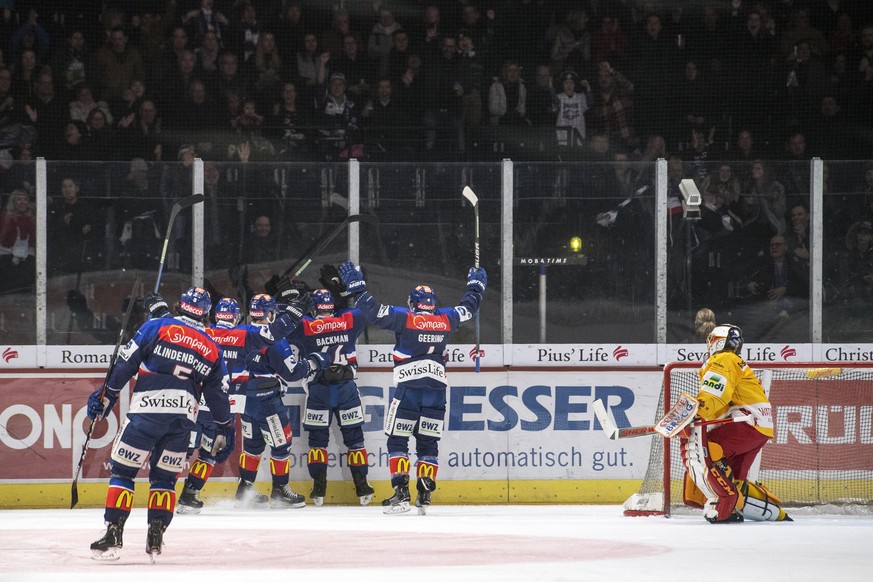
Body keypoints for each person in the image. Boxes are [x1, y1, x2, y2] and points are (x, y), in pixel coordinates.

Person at [87, 287, 234, 561]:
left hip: (146, 413)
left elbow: (125, 364)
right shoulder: (213, 348)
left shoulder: (157, 326)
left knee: (123, 472)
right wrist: (226, 427)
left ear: (180, 305)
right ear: (206, 314)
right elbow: (218, 395)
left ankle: (114, 532)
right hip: (182, 422)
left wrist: (106, 395)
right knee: (165, 479)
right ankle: (156, 535)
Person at [339, 260, 487, 514]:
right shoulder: (447, 318)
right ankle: (425, 495)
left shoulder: (405, 318)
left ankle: (401, 493)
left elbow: (373, 311)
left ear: (413, 303)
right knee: (428, 444)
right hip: (437, 393)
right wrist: (475, 287)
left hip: (409, 390)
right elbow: (468, 308)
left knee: (397, 440)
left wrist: (357, 288)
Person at [679, 324, 791, 523]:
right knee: (734, 481)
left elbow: (715, 394)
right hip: (759, 428)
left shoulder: (723, 359)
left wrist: (697, 412)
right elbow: (726, 402)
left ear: (717, 342)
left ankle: (723, 505)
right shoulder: (735, 362)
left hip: (746, 424)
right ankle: (775, 514)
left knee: (702, 448)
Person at [237, 293, 330, 508]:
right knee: (281, 444)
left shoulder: (241, 332)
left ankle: (245, 489)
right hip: (268, 400)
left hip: (245, 399)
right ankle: (280, 491)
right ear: (269, 314)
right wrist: (315, 362)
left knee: (252, 445)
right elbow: (293, 372)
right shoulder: (276, 341)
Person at [286, 285, 374, 506]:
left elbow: (280, 326)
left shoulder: (306, 324)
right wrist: (348, 293)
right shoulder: (348, 318)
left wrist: (293, 303)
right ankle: (362, 485)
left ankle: (319, 488)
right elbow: (371, 309)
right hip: (346, 388)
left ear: (314, 308)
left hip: (318, 389)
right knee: (355, 441)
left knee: (317, 443)